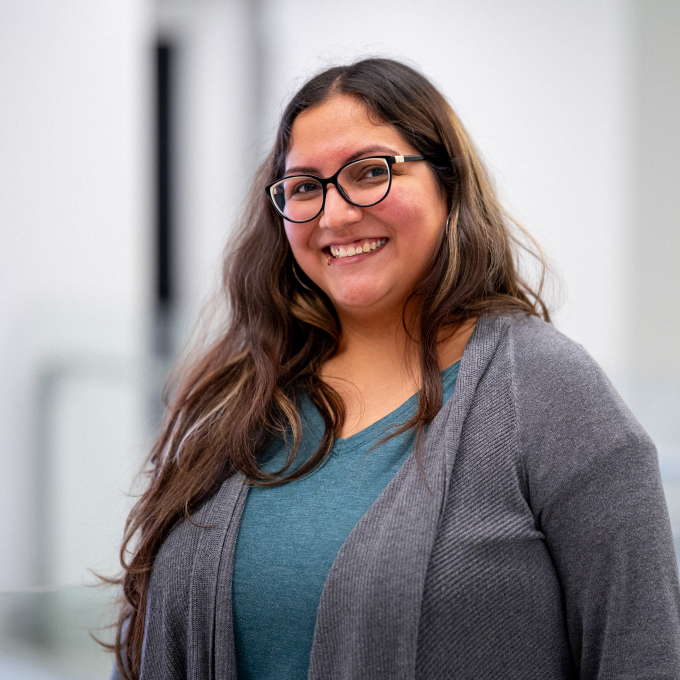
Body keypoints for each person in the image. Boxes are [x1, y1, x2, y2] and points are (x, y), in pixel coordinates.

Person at [110, 58, 680, 679]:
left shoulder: (548, 393)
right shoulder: (241, 399)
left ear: (448, 183)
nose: (334, 215)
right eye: (304, 186)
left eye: (369, 172)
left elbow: (644, 652)